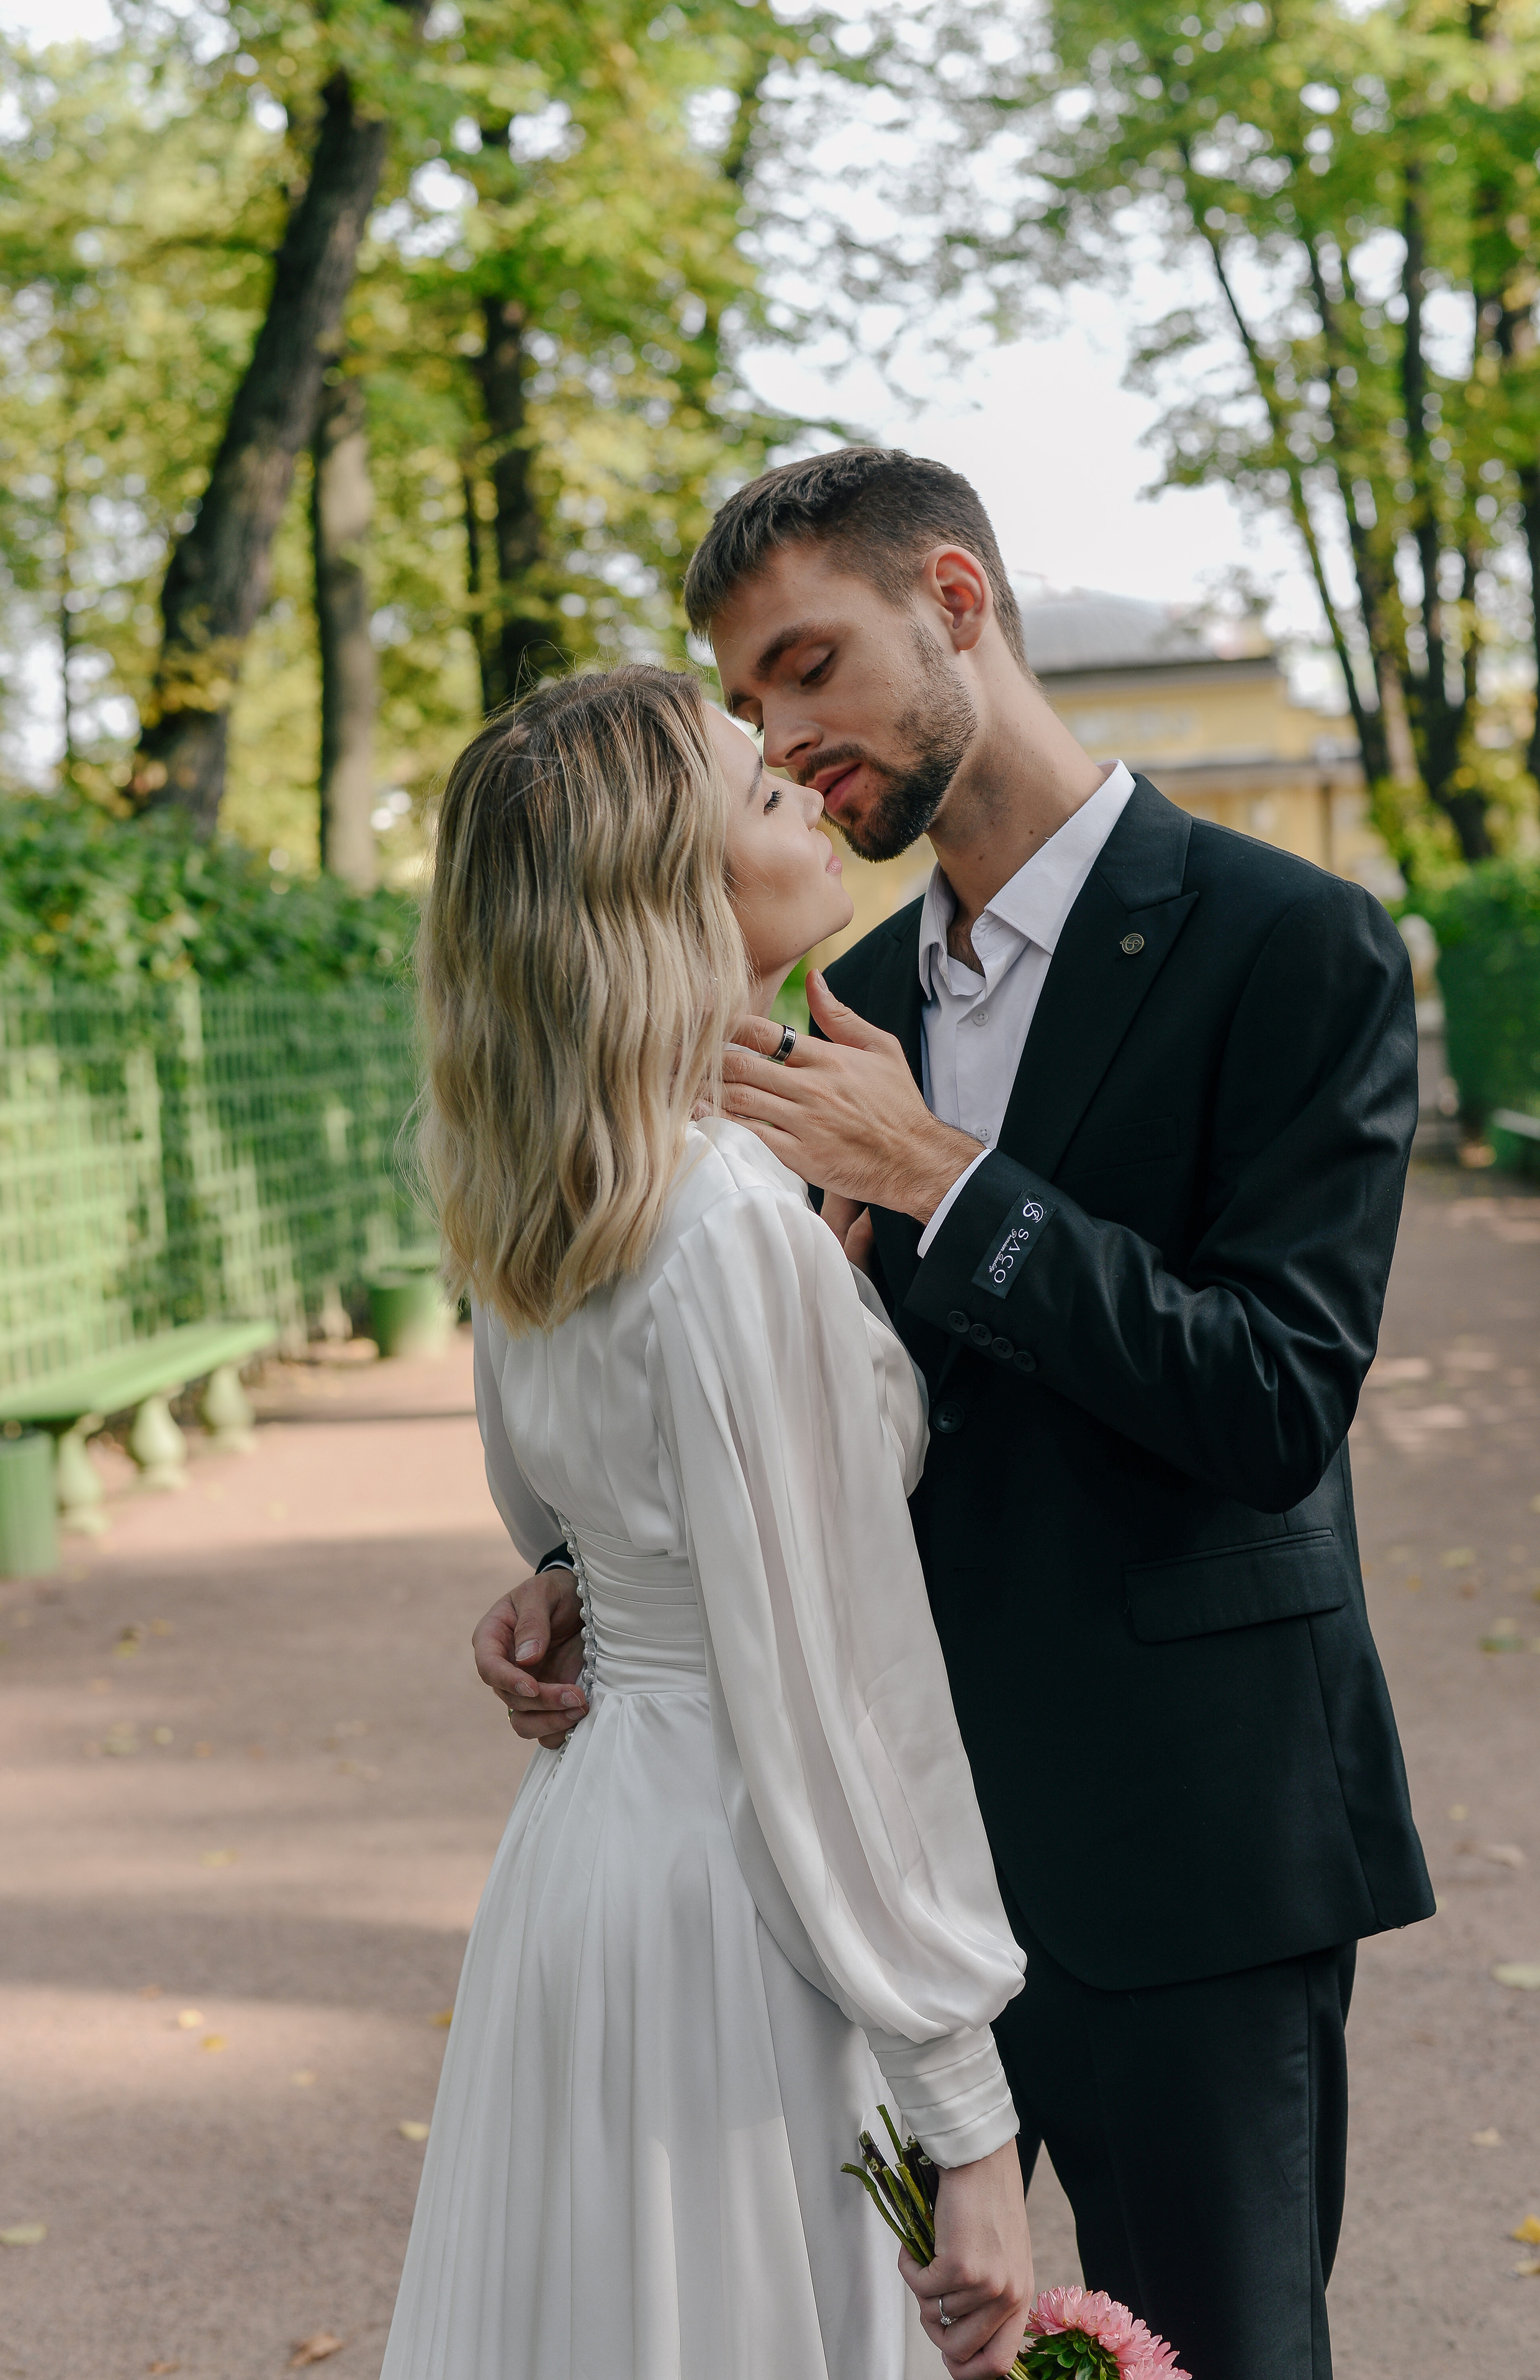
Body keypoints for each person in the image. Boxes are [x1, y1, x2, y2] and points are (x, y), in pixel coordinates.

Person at [482, 450, 1434, 2380]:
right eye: (750, 708)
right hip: (857, 1886)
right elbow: (741, 1379)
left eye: (811, 666)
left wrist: (954, 1185)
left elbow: (1273, 1402)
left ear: (960, 604)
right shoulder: (824, 982)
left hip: (1186, 1852)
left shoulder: (1291, 945)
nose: (786, 737)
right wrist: (601, 1563)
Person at [381, 664, 1032, 2380]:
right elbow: (834, 1697)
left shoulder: (555, 1195)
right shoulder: (724, 1220)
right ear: (666, 895)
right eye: (759, 793)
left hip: (596, 1862)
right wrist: (966, 2119)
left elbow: (573, 1522)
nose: (808, 797)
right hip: (746, 1882)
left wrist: (570, 1584)